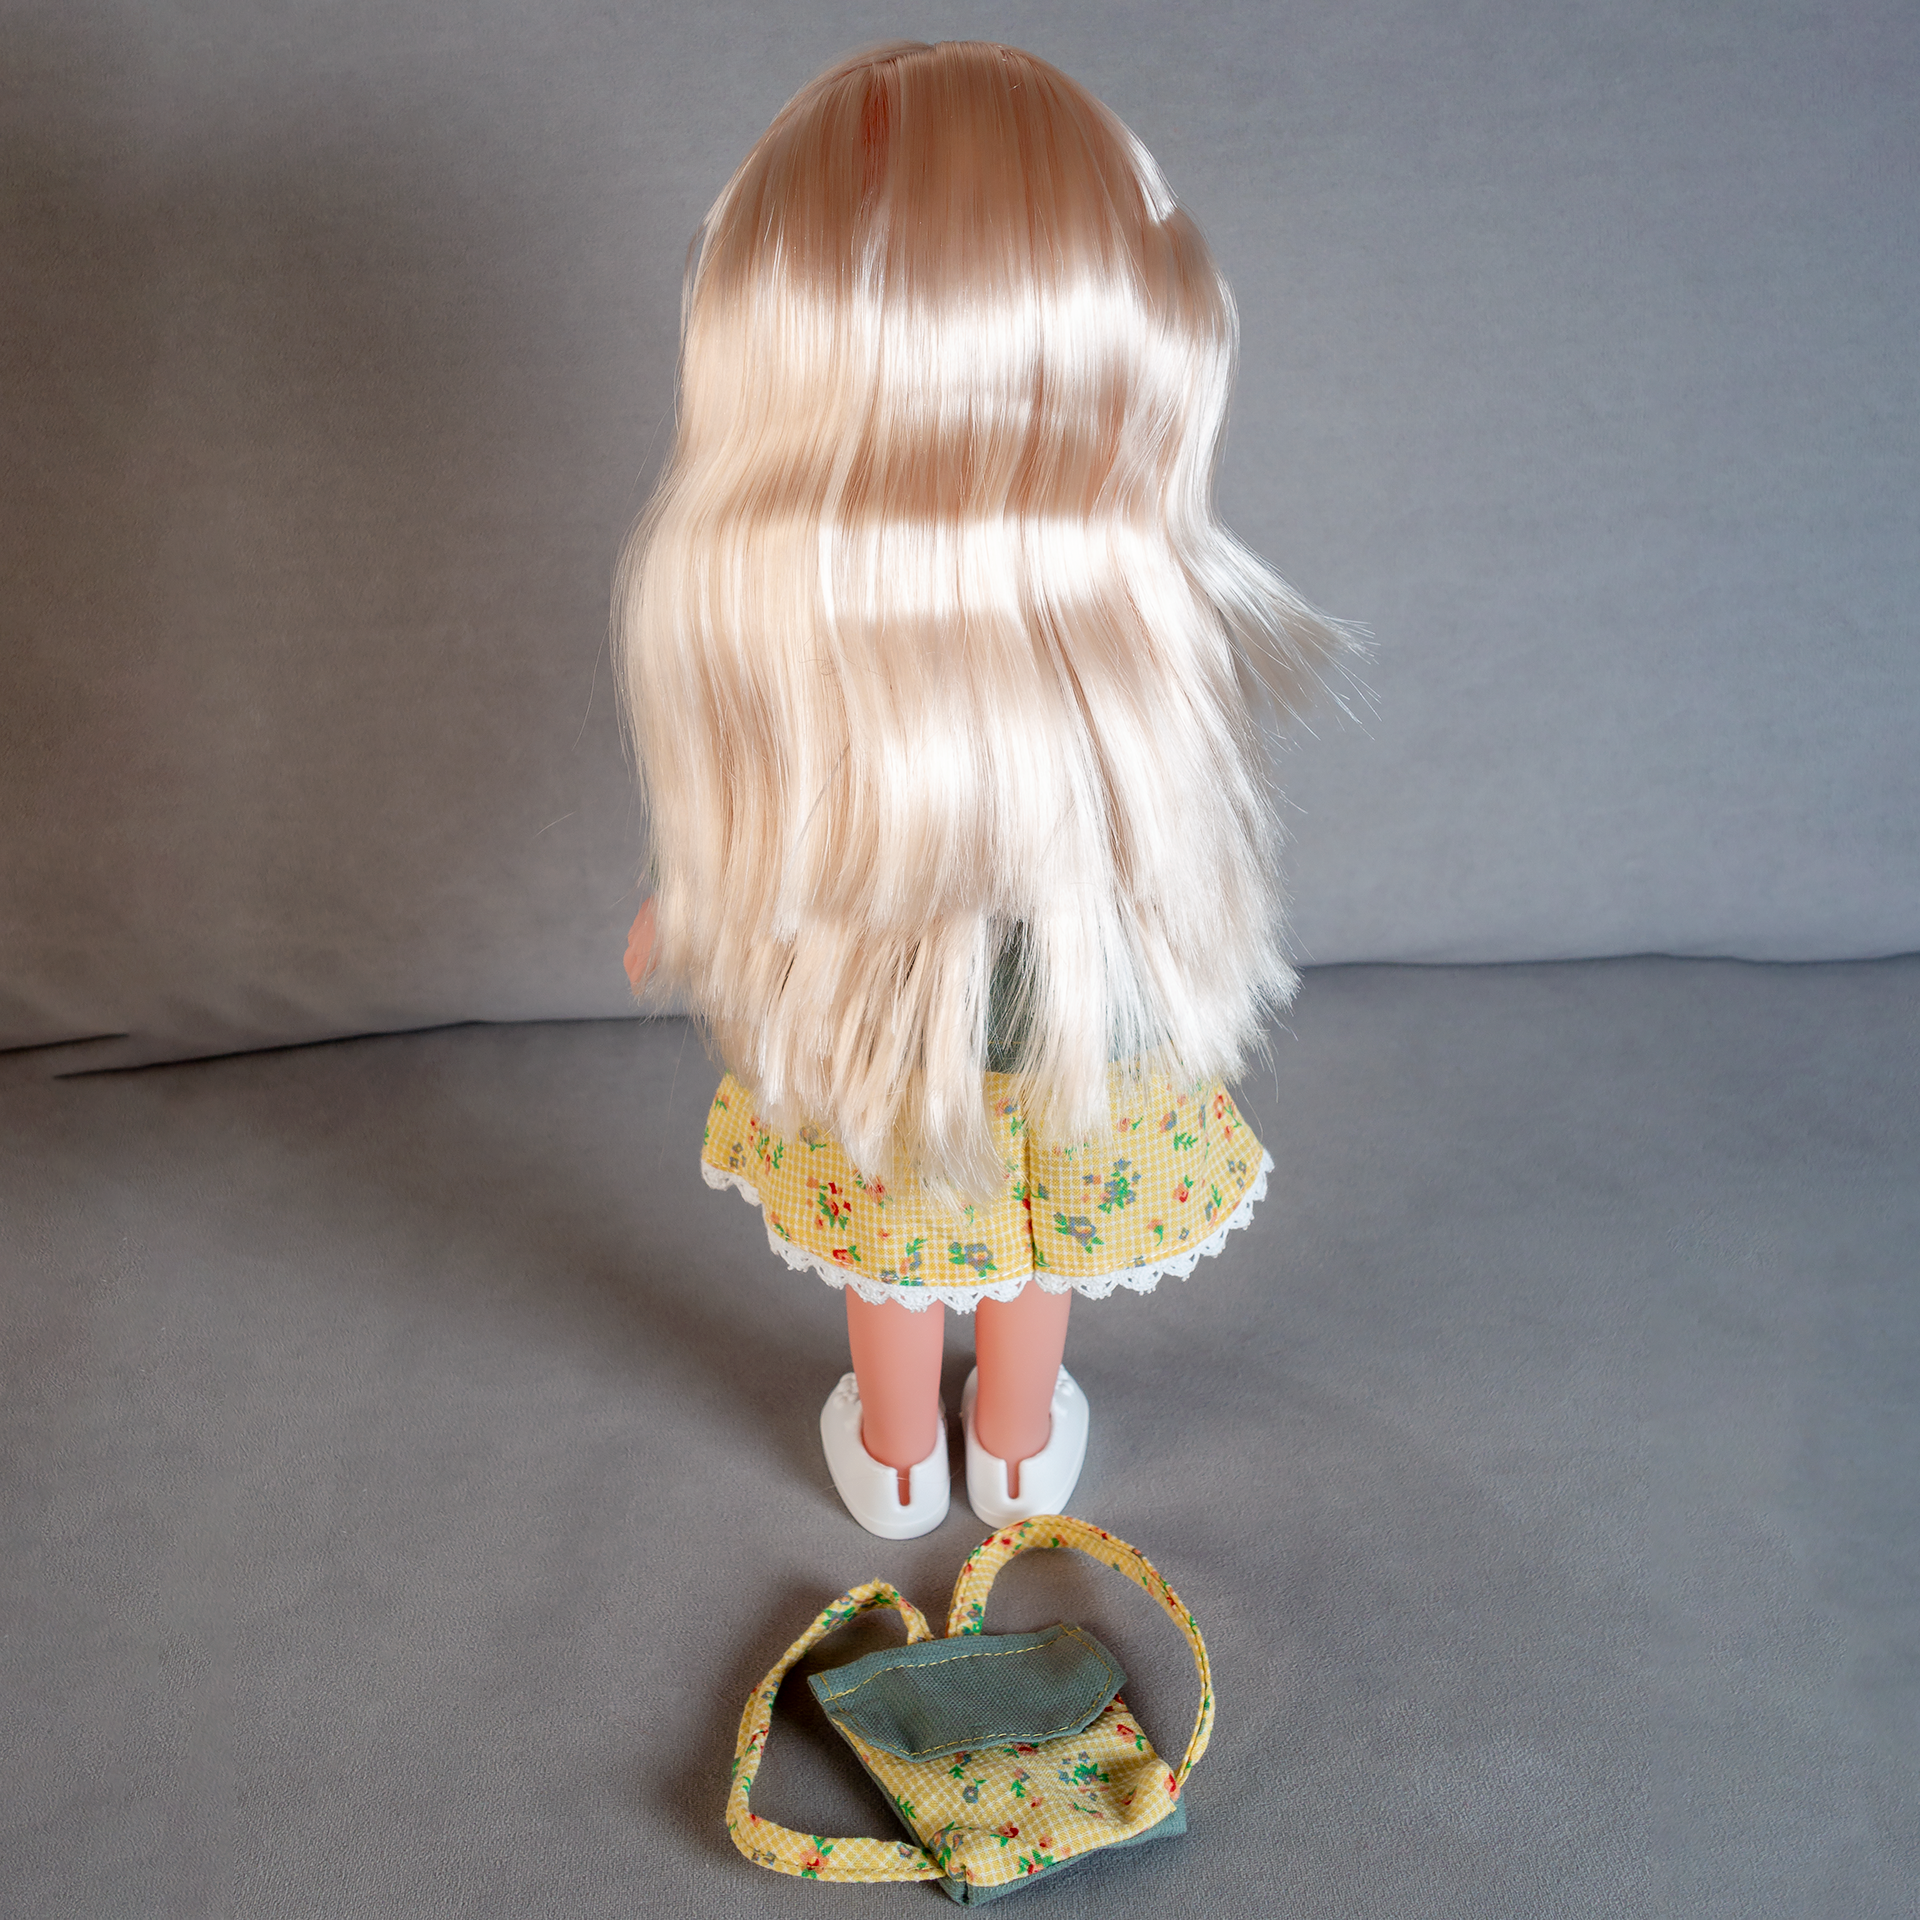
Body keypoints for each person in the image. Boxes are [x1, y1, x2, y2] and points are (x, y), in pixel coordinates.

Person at [617, 40, 1349, 1538]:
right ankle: (1013, 1440)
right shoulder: (1131, 636)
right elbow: (1175, 842)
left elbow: (765, 836)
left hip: (886, 1018)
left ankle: (898, 1453)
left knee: (894, 1235)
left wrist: (687, 916)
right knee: (1043, 1234)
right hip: (1082, 1008)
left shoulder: (801, 644)